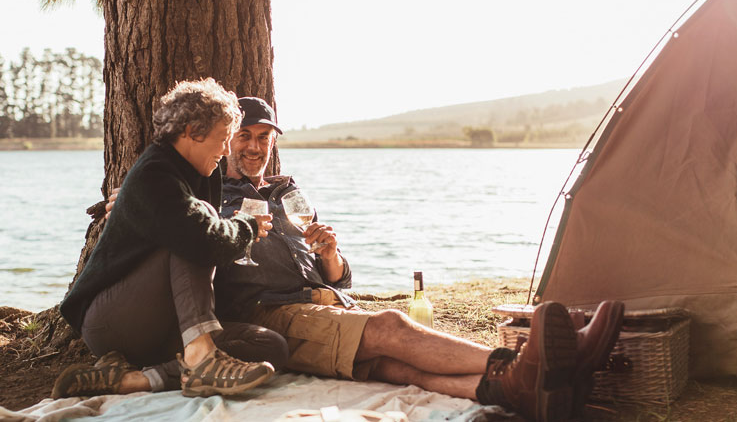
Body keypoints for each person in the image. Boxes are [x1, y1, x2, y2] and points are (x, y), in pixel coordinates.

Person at [214, 97, 626, 421]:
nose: (255, 146)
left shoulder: (287, 192)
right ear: (228, 139)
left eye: (264, 137)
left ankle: (517, 389)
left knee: (398, 368)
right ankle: (531, 363)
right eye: (245, 136)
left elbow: (338, 281)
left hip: (327, 303)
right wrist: (235, 228)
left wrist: (331, 253)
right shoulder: (215, 201)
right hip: (273, 313)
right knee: (391, 327)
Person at [52, 79, 288, 399]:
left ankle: (136, 380)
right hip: (113, 321)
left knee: (268, 345)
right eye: (222, 139)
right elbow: (206, 242)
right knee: (197, 228)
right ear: (191, 131)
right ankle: (202, 359)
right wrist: (245, 226)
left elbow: (211, 244)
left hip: (165, 327)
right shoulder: (155, 174)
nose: (224, 150)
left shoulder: (202, 174)